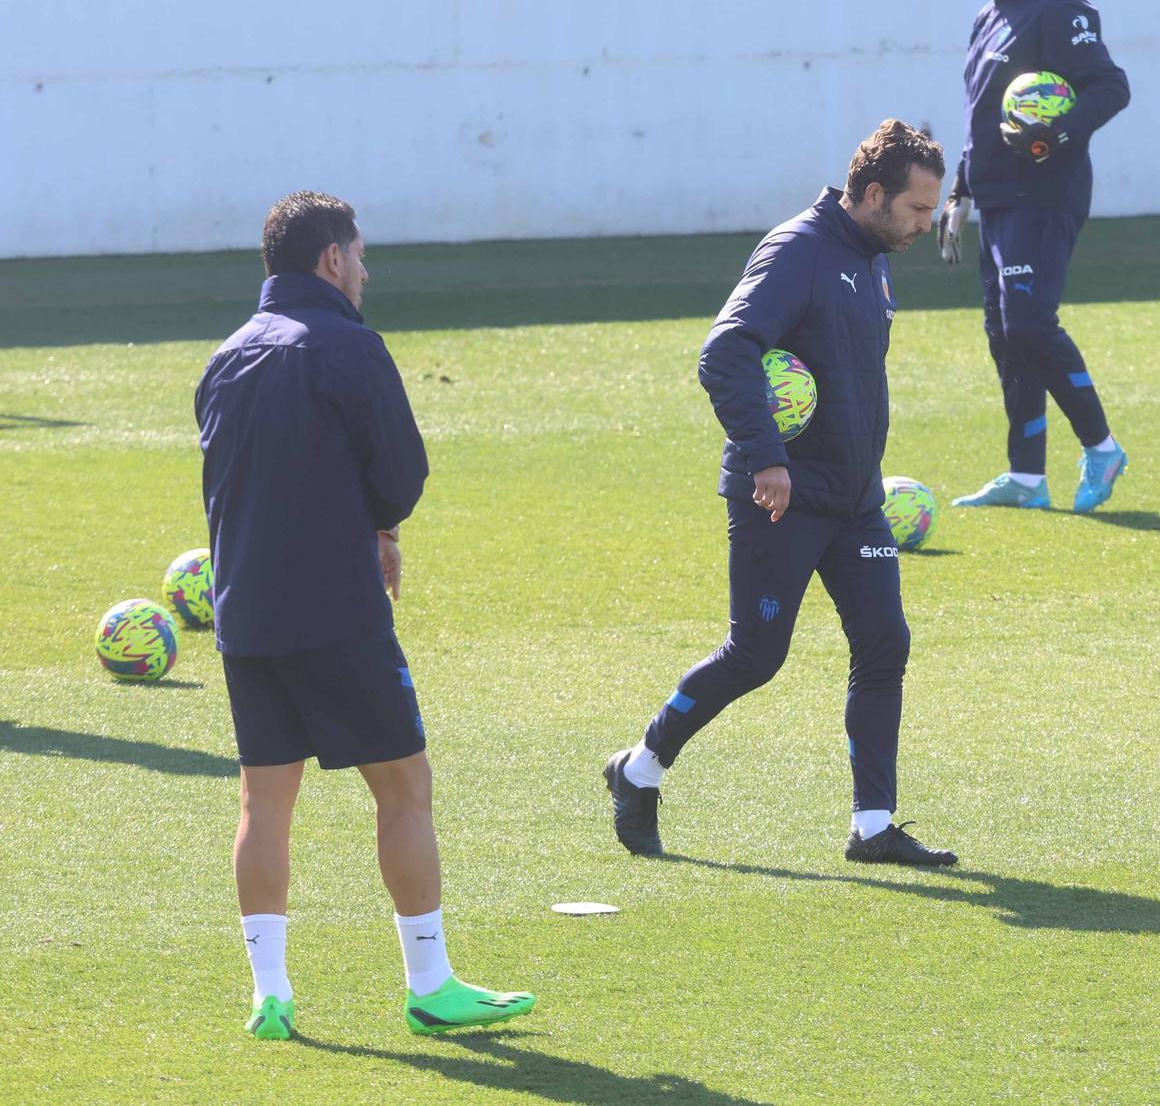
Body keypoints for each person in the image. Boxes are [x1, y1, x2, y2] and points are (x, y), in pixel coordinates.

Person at [196, 192, 535, 1039]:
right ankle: (431, 984)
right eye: (361, 253)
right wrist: (381, 524)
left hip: (244, 617)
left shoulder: (224, 358)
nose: (367, 269)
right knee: (404, 790)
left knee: (262, 806)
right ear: (332, 260)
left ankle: (269, 993)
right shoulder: (348, 345)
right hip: (337, 612)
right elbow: (400, 474)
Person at [604, 120, 958, 868]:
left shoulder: (871, 258)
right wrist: (767, 457)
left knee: (884, 643)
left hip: (855, 497)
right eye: (918, 210)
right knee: (756, 656)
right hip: (781, 497)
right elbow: (726, 352)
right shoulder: (798, 251)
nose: (927, 225)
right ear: (872, 193)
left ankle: (872, 825)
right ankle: (639, 769)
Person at [939, 0, 1133, 513]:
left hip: (1044, 195)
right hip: (997, 197)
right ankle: (1026, 479)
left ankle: (1102, 447)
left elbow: (1110, 86)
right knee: (1004, 336)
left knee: (1028, 325)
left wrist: (1058, 134)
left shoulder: (1061, 10)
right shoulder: (986, 18)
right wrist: (960, 191)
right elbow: (980, 119)